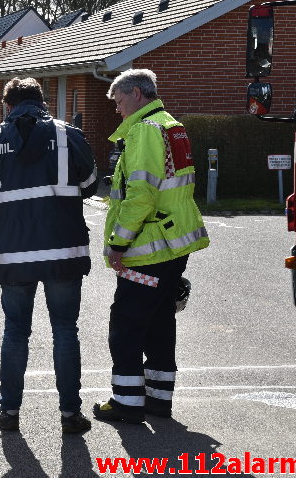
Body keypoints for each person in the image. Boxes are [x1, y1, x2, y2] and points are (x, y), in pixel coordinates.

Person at [0, 77, 98, 433]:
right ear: (43, 102)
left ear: (8, 106)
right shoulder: (68, 136)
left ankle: (9, 413)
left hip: (12, 254)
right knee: (65, 330)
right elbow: (89, 185)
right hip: (63, 250)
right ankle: (71, 414)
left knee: (15, 331)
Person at [93, 69, 209, 423]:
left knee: (126, 324)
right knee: (160, 322)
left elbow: (140, 195)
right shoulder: (170, 124)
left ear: (138, 94)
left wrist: (118, 242)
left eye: (119, 100)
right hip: (174, 245)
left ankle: (127, 402)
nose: (117, 109)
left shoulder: (144, 131)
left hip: (148, 248)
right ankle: (158, 399)